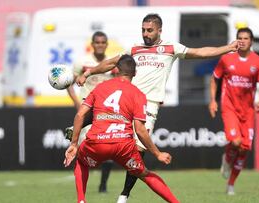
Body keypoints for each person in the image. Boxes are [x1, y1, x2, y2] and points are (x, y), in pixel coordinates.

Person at [76, 13, 239, 203]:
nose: (145, 33)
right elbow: (111, 63)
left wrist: (227, 48)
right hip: (126, 102)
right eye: (143, 30)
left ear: (159, 30)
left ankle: (124, 195)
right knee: (109, 136)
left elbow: (200, 52)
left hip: (148, 104)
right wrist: (89, 72)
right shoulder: (134, 49)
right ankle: (81, 133)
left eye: (150, 30)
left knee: (138, 149)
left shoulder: (171, 48)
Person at [64, 54, 179, 203]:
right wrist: (157, 154)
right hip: (123, 146)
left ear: (116, 70)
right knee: (144, 174)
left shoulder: (100, 88)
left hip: (97, 142)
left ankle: (81, 200)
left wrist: (73, 143)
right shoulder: (138, 94)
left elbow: (80, 115)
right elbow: (140, 130)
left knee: (81, 161)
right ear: (135, 73)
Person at [209, 27, 259, 195]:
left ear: (251, 41)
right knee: (235, 142)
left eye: (246, 38)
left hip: (248, 111)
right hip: (229, 107)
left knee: (244, 149)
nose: (242, 40)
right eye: (239, 38)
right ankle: (227, 159)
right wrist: (213, 100)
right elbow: (214, 79)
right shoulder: (226, 59)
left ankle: (231, 185)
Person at [66, 31, 115, 193]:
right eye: (97, 42)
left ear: (106, 44)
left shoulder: (111, 63)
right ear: (92, 44)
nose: (100, 45)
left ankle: (103, 185)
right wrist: (76, 103)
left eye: (103, 42)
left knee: (108, 148)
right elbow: (69, 83)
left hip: (106, 112)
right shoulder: (82, 62)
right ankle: (81, 188)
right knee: (82, 149)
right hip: (87, 111)